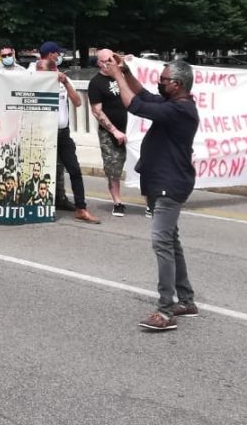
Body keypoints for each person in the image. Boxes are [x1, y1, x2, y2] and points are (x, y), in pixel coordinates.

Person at [98, 53, 200, 332]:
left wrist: (116, 76)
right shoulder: (172, 102)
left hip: (170, 183)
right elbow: (142, 94)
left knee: (161, 243)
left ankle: (165, 311)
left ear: (178, 84)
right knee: (171, 241)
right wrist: (126, 71)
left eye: (164, 80)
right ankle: (186, 300)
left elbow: (134, 105)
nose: (159, 82)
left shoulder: (180, 110)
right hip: (161, 181)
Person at [37, 42, 97, 223]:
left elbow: (78, 102)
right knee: (42, 171)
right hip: (44, 134)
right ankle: (40, 206)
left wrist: (65, 83)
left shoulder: (62, 79)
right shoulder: (33, 79)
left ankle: (81, 208)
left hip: (63, 133)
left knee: (74, 169)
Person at [88, 61, 130, 216]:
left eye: (112, 60)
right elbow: (97, 111)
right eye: (106, 61)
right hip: (110, 133)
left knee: (143, 166)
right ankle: (117, 202)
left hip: (131, 129)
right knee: (113, 168)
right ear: (99, 63)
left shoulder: (123, 78)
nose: (109, 64)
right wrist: (114, 131)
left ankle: (150, 202)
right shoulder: (96, 83)